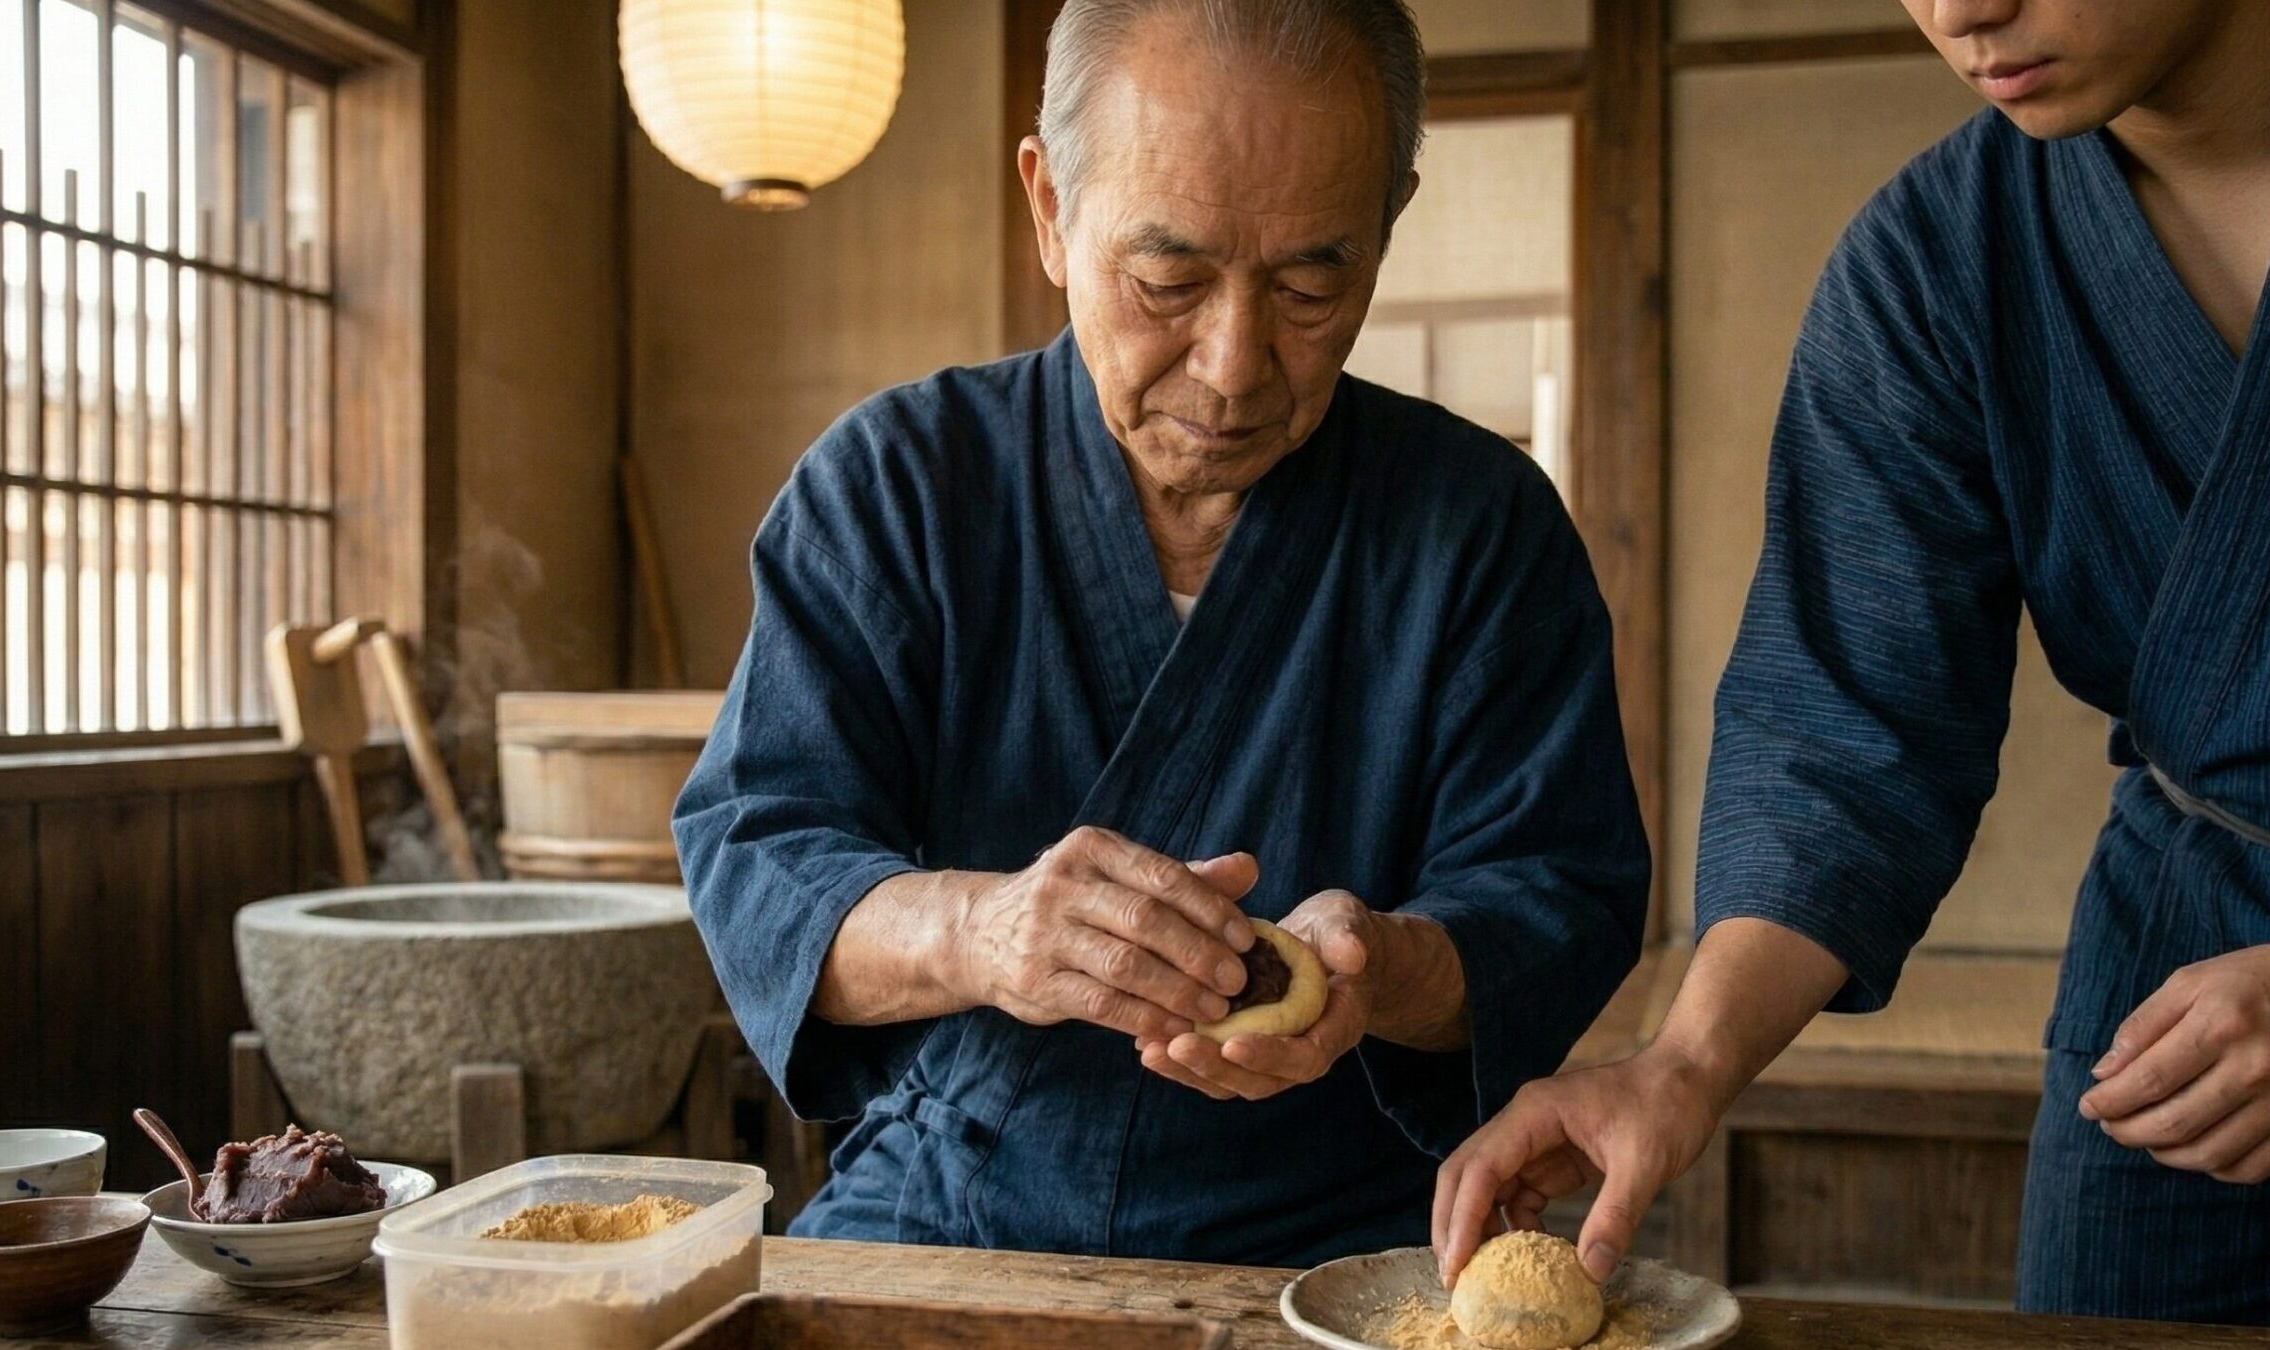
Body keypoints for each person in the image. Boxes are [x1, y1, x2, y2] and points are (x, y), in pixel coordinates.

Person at [1435, 0, 2270, 1326]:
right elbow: (1845, 725)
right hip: (2193, 946)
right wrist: (1681, 1063)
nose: (1960, 10)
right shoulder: (1939, 260)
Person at [675, 0, 1648, 1267]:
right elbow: (760, 856)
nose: (1234, 364)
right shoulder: (897, 489)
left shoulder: (1476, 527)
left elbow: (1557, 892)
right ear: (1049, 210)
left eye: (1312, 281)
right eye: (1167, 281)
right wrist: (986, 929)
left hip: (1340, 1240)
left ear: (1388, 222)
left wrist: (1383, 971)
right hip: (950, 1206)